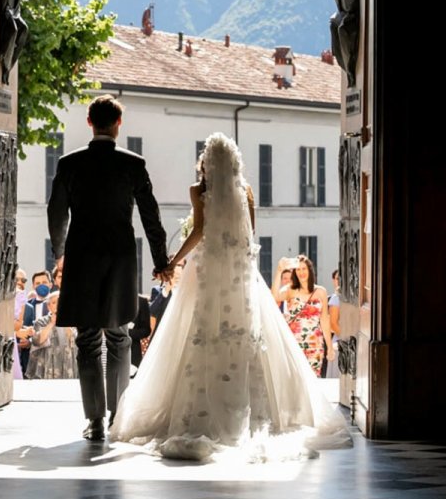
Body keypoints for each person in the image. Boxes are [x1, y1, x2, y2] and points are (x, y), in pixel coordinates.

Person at [110, 132, 351, 461]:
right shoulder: (247, 191)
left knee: (200, 333)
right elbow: (250, 236)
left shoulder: (198, 192)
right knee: (244, 336)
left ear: (206, 164)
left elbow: (198, 232)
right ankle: (255, 414)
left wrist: (172, 262)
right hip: (239, 275)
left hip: (208, 271)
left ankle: (201, 411)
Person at [47, 94, 169, 441]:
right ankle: (117, 415)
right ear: (119, 124)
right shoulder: (133, 164)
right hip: (120, 258)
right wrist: (161, 261)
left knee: (87, 340)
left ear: (89, 123)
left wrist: (59, 252)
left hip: (83, 257)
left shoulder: (70, 164)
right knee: (119, 336)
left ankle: (95, 421)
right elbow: (151, 216)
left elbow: (56, 213)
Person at [273, 255, 334, 378]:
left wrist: (330, 347)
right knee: (295, 379)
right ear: (294, 272)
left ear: (310, 270)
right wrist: (279, 271)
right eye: (298, 269)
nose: (301, 272)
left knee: (313, 378)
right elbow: (274, 297)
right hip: (293, 342)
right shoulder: (290, 290)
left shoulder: (321, 291)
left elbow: (324, 321)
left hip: (315, 344)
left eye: (304, 269)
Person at [325, 269, 341, 380]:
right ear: (333, 280)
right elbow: (333, 324)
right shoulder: (335, 298)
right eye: (337, 279)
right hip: (340, 340)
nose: (339, 281)